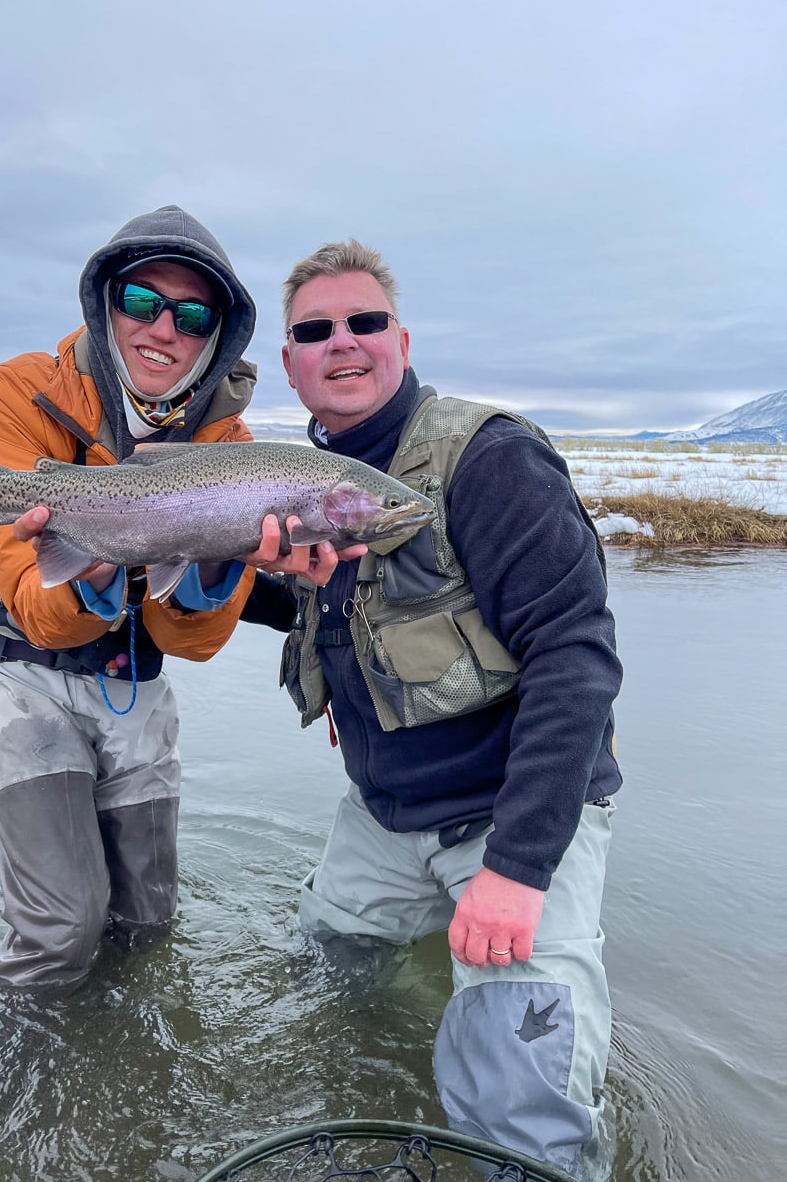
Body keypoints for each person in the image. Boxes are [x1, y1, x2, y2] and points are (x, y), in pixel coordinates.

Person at [263, 239, 624, 1179]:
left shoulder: (490, 457)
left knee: (525, 1112)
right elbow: (317, 618)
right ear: (293, 364)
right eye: (315, 331)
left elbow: (577, 657)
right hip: (383, 819)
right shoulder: (304, 486)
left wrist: (517, 866)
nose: (343, 342)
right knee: (330, 974)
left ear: (401, 338)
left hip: (511, 815)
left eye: (364, 321)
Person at [0, 205, 342, 995]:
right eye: (141, 303)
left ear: (216, 338)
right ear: (105, 304)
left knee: (148, 922)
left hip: (133, 674)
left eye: (192, 316)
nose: (163, 330)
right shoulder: (13, 396)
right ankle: (29, 1074)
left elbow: (191, 640)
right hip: (16, 669)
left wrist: (215, 564)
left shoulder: (230, 448)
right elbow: (33, 604)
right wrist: (94, 558)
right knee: (63, 927)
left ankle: (135, 1067)